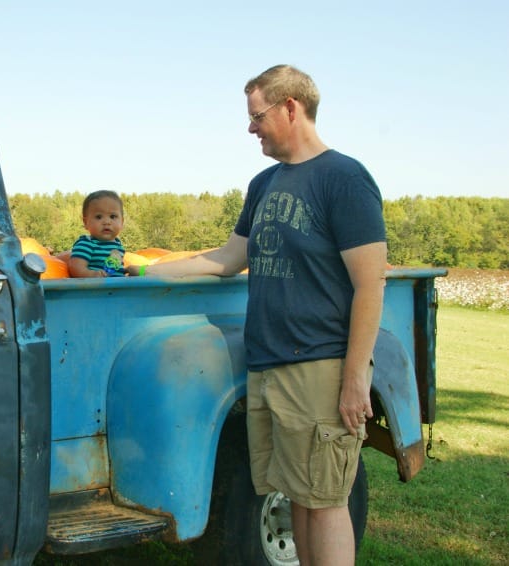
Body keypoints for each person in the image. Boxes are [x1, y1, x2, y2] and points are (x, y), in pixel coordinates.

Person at [127, 65, 387, 565]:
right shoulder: (264, 183)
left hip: (319, 363)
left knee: (325, 501)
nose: (250, 128)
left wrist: (355, 378)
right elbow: (229, 257)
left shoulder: (344, 178)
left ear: (290, 107)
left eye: (257, 116)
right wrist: (146, 270)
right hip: (267, 364)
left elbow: (369, 283)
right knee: (297, 496)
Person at [68, 190, 129, 278]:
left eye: (112, 216)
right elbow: (75, 268)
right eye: (99, 217)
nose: (107, 222)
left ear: (122, 222)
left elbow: (114, 270)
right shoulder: (86, 244)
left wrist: (127, 272)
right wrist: (92, 275)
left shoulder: (118, 245)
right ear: (86, 222)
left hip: (118, 286)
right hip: (96, 286)